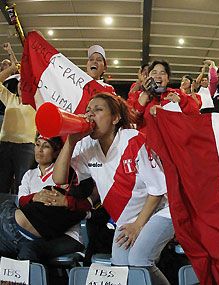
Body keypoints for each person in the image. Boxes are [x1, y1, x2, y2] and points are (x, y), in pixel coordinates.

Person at [52, 93, 172, 285]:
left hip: (163, 210)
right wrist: (70, 141)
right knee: (121, 267)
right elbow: (59, 178)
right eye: (88, 111)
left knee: (139, 259)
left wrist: (138, 226)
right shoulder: (87, 145)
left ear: (115, 118)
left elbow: (157, 190)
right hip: (127, 218)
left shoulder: (133, 140)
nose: (91, 116)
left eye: (98, 110)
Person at [0, 135, 93, 262]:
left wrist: (64, 201)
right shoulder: (29, 174)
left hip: (62, 232)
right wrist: (35, 197)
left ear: (57, 153)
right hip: (29, 226)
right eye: (37, 145)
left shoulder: (66, 172)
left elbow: (83, 205)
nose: (40, 150)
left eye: (46, 146)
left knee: (26, 247)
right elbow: (21, 201)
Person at [0, 42, 36, 193]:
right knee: (1, 184)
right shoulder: (10, 98)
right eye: (20, 83)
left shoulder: (36, 103)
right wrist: (13, 67)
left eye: (25, 83)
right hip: (4, 146)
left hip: (26, 148)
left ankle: (18, 215)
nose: (21, 85)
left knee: (21, 186)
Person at [127, 60, 200, 130]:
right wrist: (146, 94)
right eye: (154, 73)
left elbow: (195, 113)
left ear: (168, 79)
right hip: (147, 141)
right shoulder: (138, 95)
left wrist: (181, 102)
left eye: (162, 73)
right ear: (148, 77)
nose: (158, 76)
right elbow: (131, 118)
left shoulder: (177, 94)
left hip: (171, 140)